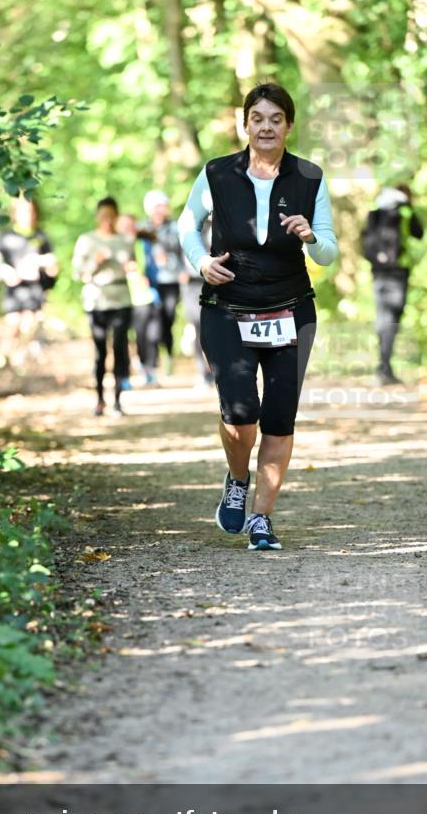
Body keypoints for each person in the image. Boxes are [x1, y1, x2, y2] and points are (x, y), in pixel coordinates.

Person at [178, 82, 338, 551]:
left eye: (275, 119)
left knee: (279, 416)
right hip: (227, 307)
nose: (266, 126)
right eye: (257, 118)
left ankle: (262, 519)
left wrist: (311, 236)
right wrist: (201, 262)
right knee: (239, 414)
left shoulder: (309, 177)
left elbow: (329, 252)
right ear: (244, 124)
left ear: (289, 125)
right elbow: (187, 224)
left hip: (291, 309)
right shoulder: (217, 173)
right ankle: (235, 477)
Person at [72, 197, 134, 416]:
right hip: (96, 299)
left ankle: (118, 400)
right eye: (103, 216)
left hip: (121, 299)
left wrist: (131, 268)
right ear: (97, 216)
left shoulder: (125, 241)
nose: (107, 220)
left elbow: (133, 268)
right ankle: (99, 399)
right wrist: (95, 262)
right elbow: (77, 273)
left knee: (119, 348)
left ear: (117, 216)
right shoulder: (86, 240)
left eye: (111, 215)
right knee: (100, 350)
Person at [362, 184, 424, 384]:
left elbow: (364, 241)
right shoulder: (405, 209)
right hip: (398, 272)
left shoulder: (375, 210)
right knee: (392, 319)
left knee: (382, 317)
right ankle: (385, 367)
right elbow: (419, 232)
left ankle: (383, 367)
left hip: (378, 272)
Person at [0, 196, 59, 341]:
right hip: (13, 293)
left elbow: (52, 267)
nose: (29, 215)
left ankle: (25, 357)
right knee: (13, 328)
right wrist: (5, 271)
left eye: (31, 211)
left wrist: (44, 264)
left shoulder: (41, 236)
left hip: (36, 292)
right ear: (15, 213)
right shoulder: (5, 237)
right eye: (24, 211)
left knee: (29, 330)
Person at [140, 191, 184, 375]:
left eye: (163, 206)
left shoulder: (175, 227)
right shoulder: (142, 229)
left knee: (168, 318)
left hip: (171, 280)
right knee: (152, 320)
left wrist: (183, 271)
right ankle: (151, 362)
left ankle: (168, 355)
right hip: (150, 281)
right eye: (157, 206)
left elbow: (183, 250)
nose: (161, 210)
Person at [117, 213, 161, 387]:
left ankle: (149, 369)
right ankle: (124, 376)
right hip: (123, 298)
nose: (128, 229)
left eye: (131, 225)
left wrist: (148, 276)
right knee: (123, 339)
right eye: (124, 226)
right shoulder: (115, 245)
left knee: (149, 336)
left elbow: (153, 269)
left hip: (146, 297)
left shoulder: (144, 245)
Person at [180, 220, 214, 387]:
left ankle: (216, 369)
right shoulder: (189, 226)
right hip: (192, 284)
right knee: (198, 325)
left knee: (216, 328)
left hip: (216, 283)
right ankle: (203, 371)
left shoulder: (225, 224)